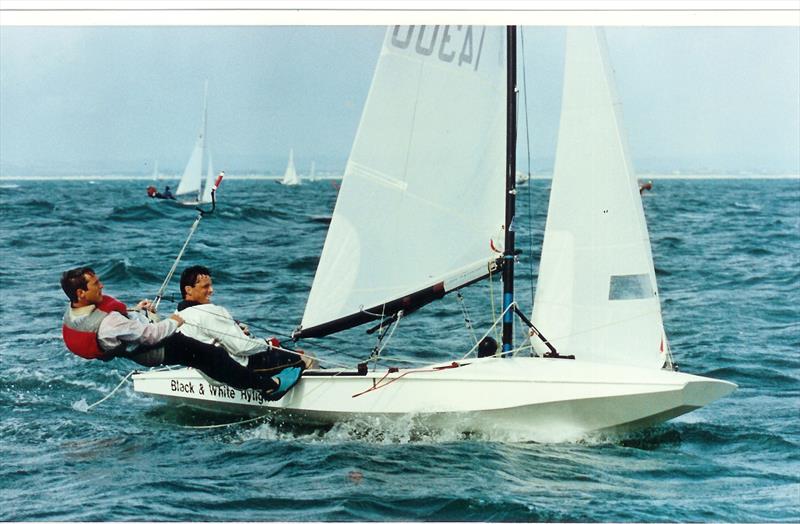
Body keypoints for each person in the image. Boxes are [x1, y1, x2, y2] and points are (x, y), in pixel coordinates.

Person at [59, 266, 299, 400]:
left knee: (207, 357)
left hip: (140, 348)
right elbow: (150, 336)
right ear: (81, 293)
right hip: (155, 349)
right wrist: (175, 320)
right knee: (212, 357)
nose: (102, 285)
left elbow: (121, 328)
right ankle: (268, 386)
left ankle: (246, 381)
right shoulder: (109, 322)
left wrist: (137, 312)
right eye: (95, 284)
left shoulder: (75, 312)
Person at [175, 265, 312, 375]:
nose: (211, 290)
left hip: (206, 371)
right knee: (306, 357)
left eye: (211, 285)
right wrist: (269, 343)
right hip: (239, 369)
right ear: (189, 290)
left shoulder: (178, 314)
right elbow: (241, 347)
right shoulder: (212, 311)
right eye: (205, 286)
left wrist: (237, 330)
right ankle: (275, 389)